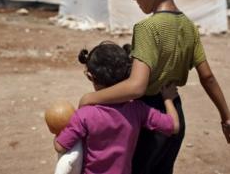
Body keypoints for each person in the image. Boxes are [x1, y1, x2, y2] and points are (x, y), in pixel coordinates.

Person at [78, 0, 230, 174]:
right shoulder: (189, 27)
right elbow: (208, 77)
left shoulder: (147, 28)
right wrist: (227, 119)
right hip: (175, 113)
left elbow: (137, 86)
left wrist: (90, 98)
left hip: (149, 119)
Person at [54, 41, 181, 174]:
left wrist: (58, 130)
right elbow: (174, 126)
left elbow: (60, 146)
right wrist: (168, 98)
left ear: (90, 76)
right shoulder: (137, 109)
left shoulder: (84, 115)